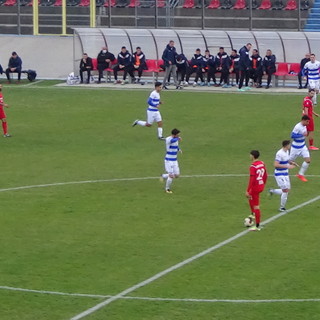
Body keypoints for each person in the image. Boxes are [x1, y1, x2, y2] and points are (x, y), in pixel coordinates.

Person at [269, 140, 298, 212]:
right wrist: (288, 166)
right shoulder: (279, 153)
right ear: (286, 145)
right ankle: (282, 207)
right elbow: (275, 164)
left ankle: (272, 191)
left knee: (287, 190)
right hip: (279, 174)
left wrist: (292, 163)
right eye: (289, 145)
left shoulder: (287, 151)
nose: (290, 146)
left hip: (285, 173)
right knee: (285, 190)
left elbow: (287, 160)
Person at [245, 150, 267, 231]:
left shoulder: (252, 166)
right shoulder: (262, 163)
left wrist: (248, 190)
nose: (249, 156)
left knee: (256, 206)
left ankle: (257, 226)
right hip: (261, 185)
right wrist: (263, 183)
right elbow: (265, 175)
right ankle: (253, 213)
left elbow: (252, 179)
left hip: (255, 187)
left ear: (253, 156)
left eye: (250, 155)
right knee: (249, 197)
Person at [289, 115, 311, 182]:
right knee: (289, 162)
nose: (308, 123)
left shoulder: (304, 126)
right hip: (295, 148)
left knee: (308, 160)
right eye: (307, 121)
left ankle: (300, 174)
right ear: (303, 120)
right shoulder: (297, 126)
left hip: (303, 146)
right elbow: (292, 135)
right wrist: (302, 135)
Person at [160, 128, 182, 193]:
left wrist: (179, 149)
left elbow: (175, 145)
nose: (179, 135)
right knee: (171, 175)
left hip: (175, 160)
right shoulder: (168, 139)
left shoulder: (176, 139)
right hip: (168, 160)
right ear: (174, 134)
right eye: (178, 134)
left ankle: (163, 176)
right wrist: (178, 138)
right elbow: (172, 141)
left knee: (177, 175)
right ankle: (167, 189)